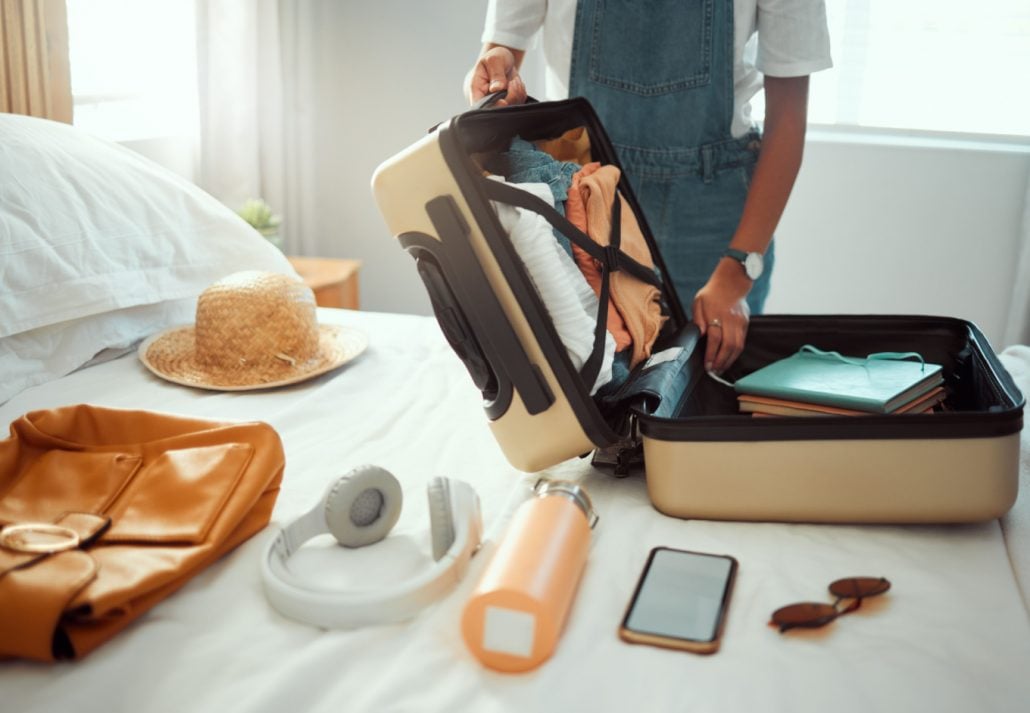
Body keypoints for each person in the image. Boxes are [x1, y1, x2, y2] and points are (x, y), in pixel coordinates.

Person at [467, 0, 832, 375]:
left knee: (698, 400)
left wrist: (739, 268)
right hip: (583, 203)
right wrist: (492, 78)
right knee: (586, 393)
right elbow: (499, 55)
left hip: (713, 224)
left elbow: (787, 119)